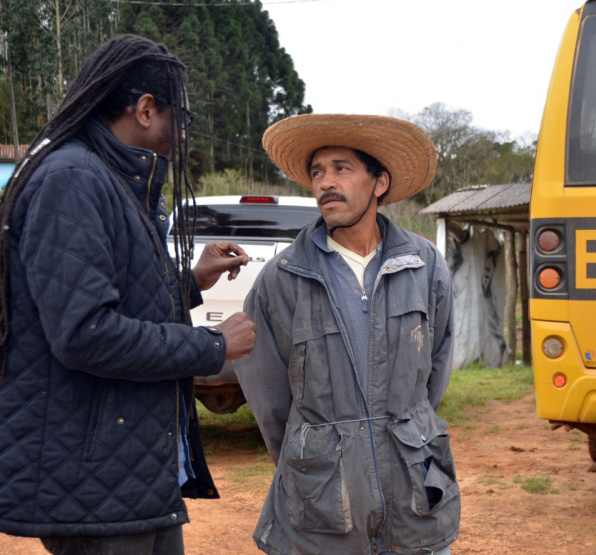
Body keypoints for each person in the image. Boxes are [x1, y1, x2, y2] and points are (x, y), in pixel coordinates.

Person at [0, 35, 257, 554]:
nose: (184, 133)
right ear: (145, 110)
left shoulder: (114, 180)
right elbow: (86, 334)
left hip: (131, 473)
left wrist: (190, 280)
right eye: (179, 117)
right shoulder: (73, 179)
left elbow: (109, 292)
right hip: (95, 477)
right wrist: (212, 347)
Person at [236, 114, 458, 555]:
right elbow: (269, 399)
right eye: (317, 172)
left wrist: (404, 432)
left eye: (341, 169)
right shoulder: (282, 278)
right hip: (322, 507)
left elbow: (435, 369)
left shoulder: (424, 265)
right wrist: (313, 455)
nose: (324, 183)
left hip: (414, 492)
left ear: (380, 183)